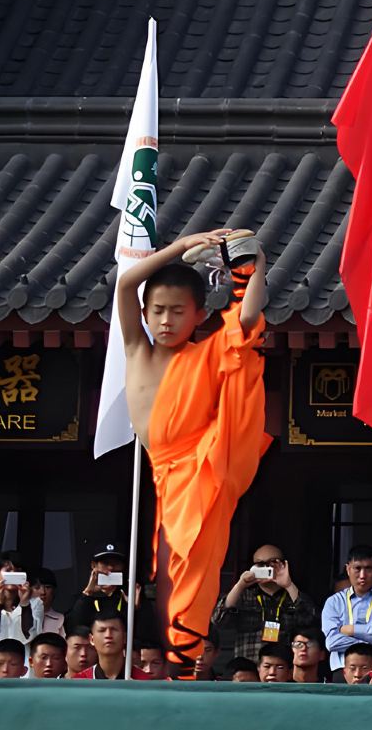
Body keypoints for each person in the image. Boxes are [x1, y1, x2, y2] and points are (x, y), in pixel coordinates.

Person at [113, 226, 273, 670]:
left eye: (178, 311)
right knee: (172, 572)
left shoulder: (205, 354)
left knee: (191, 569)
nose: (166, 321)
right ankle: (180, 662)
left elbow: (246, 318)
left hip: (204, 462)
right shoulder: (138, 349)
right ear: (145, 314)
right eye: (158, 311)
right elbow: (125, 284)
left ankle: (184, 661)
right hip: (164, 470)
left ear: (199, 314)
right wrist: (180, 247)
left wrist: (257, 267)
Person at [213, 544, 315, 662]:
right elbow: (218, 620)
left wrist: (288, 585)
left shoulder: (292, 595)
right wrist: (240, 585)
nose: (267, 568)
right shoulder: (244, 595)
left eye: (273, 563)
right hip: (248, 665)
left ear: (284, 565)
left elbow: (310, 620)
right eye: (260, 564)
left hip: (282, 667)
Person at [321, 546, 372, 672]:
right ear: (348, 569)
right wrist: (371, 645)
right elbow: (331, 642)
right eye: (357, 568)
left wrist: (351, 630)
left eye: (368, 568)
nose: (362, 575)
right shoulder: (334, 602)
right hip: (343, 669)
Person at [0, 559, 43, 678]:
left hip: (22, 667)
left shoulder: (35, 604)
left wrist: (25, 603)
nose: (13, 573)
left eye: (18, 571)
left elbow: (30, 635)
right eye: (9, 570)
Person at [68, 547, 130, 629]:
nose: (111, 568)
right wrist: (88, 593)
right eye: (105, 563)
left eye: (116, 563)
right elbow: (73, 627)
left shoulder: (129, 595)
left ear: (123, 567)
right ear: (93, 565)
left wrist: (134, 608)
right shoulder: (81, 597)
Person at [27, 571, 64, 642]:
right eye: (37, 588)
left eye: (47, 587)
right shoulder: (20, 615)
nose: (43, 592)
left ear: (54, 591)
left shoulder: (60, 618)